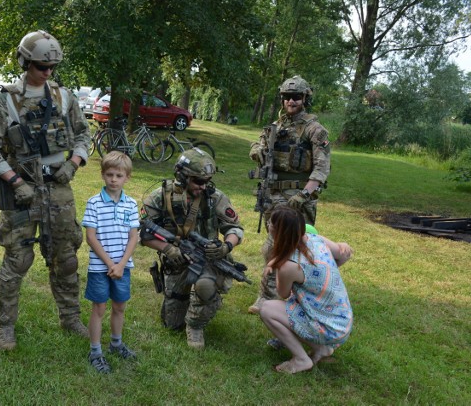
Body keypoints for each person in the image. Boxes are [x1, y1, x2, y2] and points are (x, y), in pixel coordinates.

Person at [0, 30, 91, 350]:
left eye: (52, 67)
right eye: (42, 66)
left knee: (65, 257)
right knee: (17, 259)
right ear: (26, 62)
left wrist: (74, 163)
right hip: (21, 189)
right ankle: (4, 327)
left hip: (58, 187)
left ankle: (70, 318)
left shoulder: (64, 98)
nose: (48, 72)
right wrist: (14, 181)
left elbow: (84, 135)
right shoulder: (5, 102)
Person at [140, 148, 243, 349]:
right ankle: (183, 302)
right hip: (177, 261)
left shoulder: (215, 198)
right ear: (181, 176)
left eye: (207, 181)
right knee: (172, 324)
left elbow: (234, 228)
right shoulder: (160, 197)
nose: (204, 187)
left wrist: (226, 246)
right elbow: (143, 234)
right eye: (198, 181)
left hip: (207, 259)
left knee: (205, 286)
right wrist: (168, 249)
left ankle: (195, 326)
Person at [248, 75, 331, 316]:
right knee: (273, 247)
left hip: (297, 197)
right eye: (286, 97)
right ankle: (271, 291)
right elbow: (257, 145)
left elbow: (321, 168)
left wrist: (304, 194)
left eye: (296, 97)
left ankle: (273, 295)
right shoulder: (276, 126)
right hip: (272, 194)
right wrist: (258, 152)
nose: (291, 101)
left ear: (305, 98)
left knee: (288, 247)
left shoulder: (314, 130)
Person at [259, 206, 353, 373]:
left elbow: (283, 294)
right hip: (342, 321)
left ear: (276, 232)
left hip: (328, 329)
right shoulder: (316, 239)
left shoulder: (289, 266)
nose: (268, 226)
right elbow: (344, 253)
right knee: (294, 306)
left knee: (267, 309)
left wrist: (277, 268)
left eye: (270, 224)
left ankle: (301, 359)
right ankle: (321, 349)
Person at [82, 151, 139, 373]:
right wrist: (109, 264)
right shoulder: (94, 203)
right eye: (109, 174)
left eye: (118, 175)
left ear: (127, 178)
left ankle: (116, 344)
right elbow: (90, 236)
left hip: (123, 267)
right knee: (99, 307)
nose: (114, 179)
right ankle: (95, 351)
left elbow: (134, 237)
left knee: (120, 306)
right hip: (100, 268)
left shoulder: (131, 204)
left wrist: (121, 264)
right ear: (103, 175)